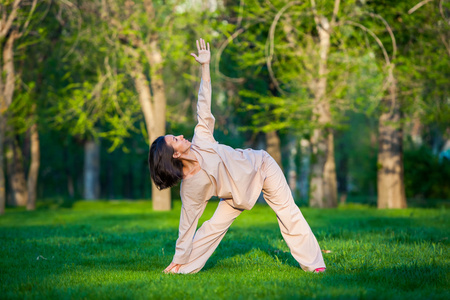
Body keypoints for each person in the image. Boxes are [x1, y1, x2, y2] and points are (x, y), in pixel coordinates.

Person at [149, 38, 326, 274]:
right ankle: (179, 269)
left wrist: (205, 67)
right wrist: (178, 256)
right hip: (236, 196)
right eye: (175, 140)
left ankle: (315, 266)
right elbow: (187, 225)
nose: (181, 136)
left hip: (262, 166)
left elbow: (204, 104)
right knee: (210, 229)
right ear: (175, 155)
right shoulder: (190, 186)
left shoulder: (201, 140)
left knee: (287, 212)